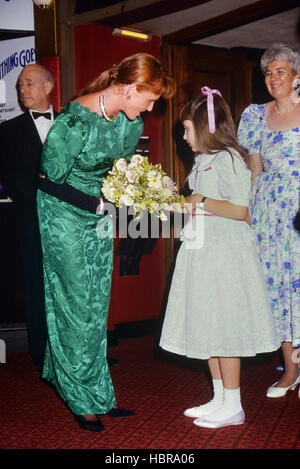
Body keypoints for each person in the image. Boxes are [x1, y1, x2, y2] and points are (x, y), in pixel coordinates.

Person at [36, 53, 176, 432]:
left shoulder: (130, 124)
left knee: (96, 303)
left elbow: (122, 173)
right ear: (129, 88)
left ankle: (97, 391)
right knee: (75, 300)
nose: (149, 108)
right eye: (148, 99)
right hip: (62, 214)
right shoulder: (73, 122)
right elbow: (49, 181)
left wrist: (142, 198)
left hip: (98, 214)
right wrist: (96, 203)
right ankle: (78, 395)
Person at [159, 87, 280, 429]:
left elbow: (242, 210)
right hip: (203, 250)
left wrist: (199, 202)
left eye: (186, 128)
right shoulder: (202, 161)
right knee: (208, 324)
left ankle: (235, 404)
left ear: (206, 127)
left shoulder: (229, 158)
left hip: (226, 253)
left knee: (225, 327)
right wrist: (177, 204)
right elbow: (199, 204)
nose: (183, 136)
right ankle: (219, 398)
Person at [238, 42, 300, 399]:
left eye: (281, 71)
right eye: (268, 72)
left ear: (295, 77)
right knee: (277, 288)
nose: (274, 78)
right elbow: (255, 167)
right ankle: (290, 369)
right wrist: (247, 211)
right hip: (268, 210)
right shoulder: (253, 115)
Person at [0, 64, 57, 369]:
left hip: (69, 223)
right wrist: (43, 204)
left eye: (29, 84)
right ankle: (42, 355)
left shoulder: (71, 125)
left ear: (49, 86)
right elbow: (11, 178)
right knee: (37, 287)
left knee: (70, 289)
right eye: (20, 86)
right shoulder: (8, 130)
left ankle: (74, 355)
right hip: (30, 220)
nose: (23, 91)